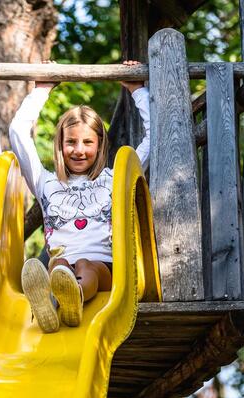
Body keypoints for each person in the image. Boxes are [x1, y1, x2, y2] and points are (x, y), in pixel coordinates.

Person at [9, 60, 150, 333]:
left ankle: (74, 297)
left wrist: (137, 91)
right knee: (59, 264)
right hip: (62, 266)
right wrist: (42, 89)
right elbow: (17, 132)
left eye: (88, 142)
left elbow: (153, 139)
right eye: (71, 142)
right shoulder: (45, 181)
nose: (78, 150)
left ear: (100, 145)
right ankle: (52, 302)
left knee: (85, 265)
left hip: (105, 270)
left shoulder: (115, 179)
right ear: (60, 145)